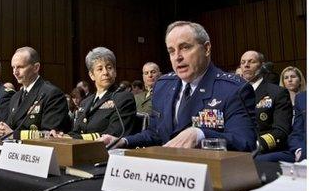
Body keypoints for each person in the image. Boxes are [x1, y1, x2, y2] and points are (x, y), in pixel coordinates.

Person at [99, 21, 257, 152]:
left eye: (185, 47)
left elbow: (245, 142)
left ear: (207, 48)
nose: (177, 57)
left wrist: (201, 134)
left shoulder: (233, 89)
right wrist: (123, 141)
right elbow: (155, 133)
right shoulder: (163, 85)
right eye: (171, 51)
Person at [0, 47, 70, 139]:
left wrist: (13, 134)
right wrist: (0, 130)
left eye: (20, 67)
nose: (15, 72)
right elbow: (10, 127)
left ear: (36, 68)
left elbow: (51, 135)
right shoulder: (15, 97)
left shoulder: (52, 94)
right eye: (13, 67)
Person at [64, 47, 136, 140]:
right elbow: (77, 131)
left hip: (107, 151)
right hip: (82, 149)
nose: (105, 72)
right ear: (91, 75)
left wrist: (77, 138)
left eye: (109, 68)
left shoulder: (124, 98)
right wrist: (63, 136)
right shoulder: (85, 102)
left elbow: (115, 133)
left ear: (115, 72)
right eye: (100, 69)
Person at [240, 50, 293, 153]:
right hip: (237, 149)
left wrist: (257, 145)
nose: (246, 65)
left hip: (264, 150)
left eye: (251, 62)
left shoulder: (277, 92)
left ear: (262, 66)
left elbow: (281, 131)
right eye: (243, 62)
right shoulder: (234, 93)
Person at [256, 92, 306, 162]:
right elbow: (297, 132)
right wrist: (298, 150)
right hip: (300, 150)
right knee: (257, 160)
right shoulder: (302, 97)